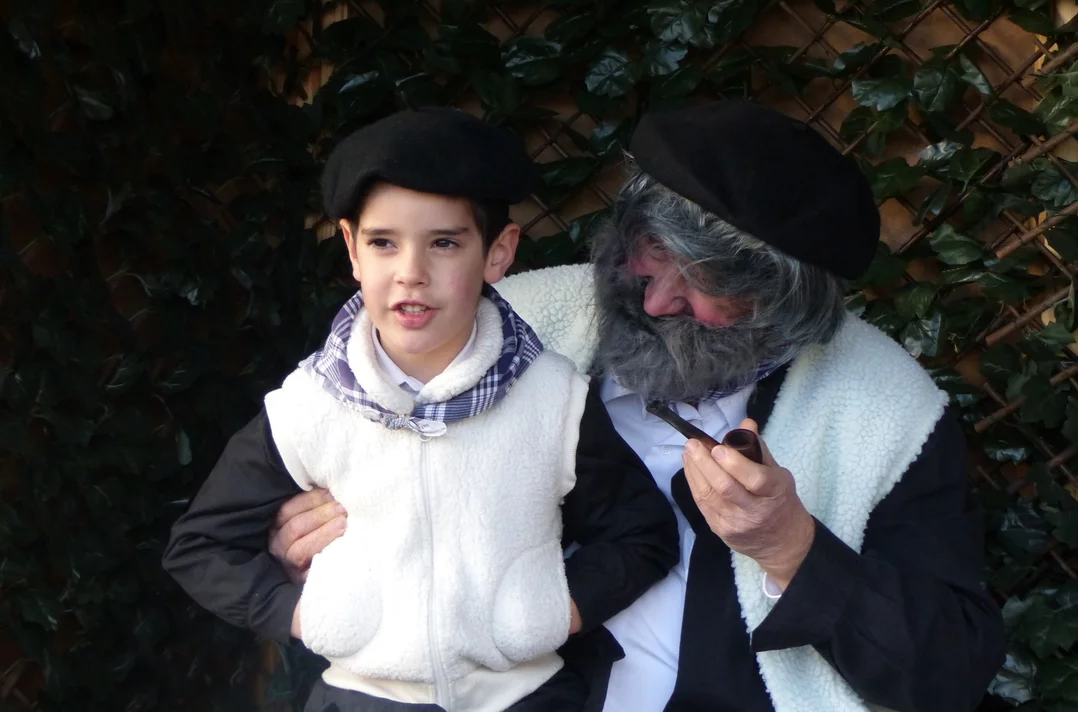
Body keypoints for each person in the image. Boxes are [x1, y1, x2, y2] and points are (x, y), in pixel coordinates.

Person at [270, 101, 1006, 712]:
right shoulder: (506, 333)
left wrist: (791, 548)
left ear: (785, 306)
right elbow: (359, 509)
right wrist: (318, 541)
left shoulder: (882, 408)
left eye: (706, 289)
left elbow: (948, 677)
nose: (654, 303)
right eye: (650, 254)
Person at [162, 107, 679, 712]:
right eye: (383, 243)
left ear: (498, 253)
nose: (411, 273)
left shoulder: (554, 399)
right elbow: (201, 546)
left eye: (444, 243)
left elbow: (642, 535)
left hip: (527, 699)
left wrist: (547, 614)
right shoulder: (310, 406)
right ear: (352, 249)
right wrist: (305, 616)